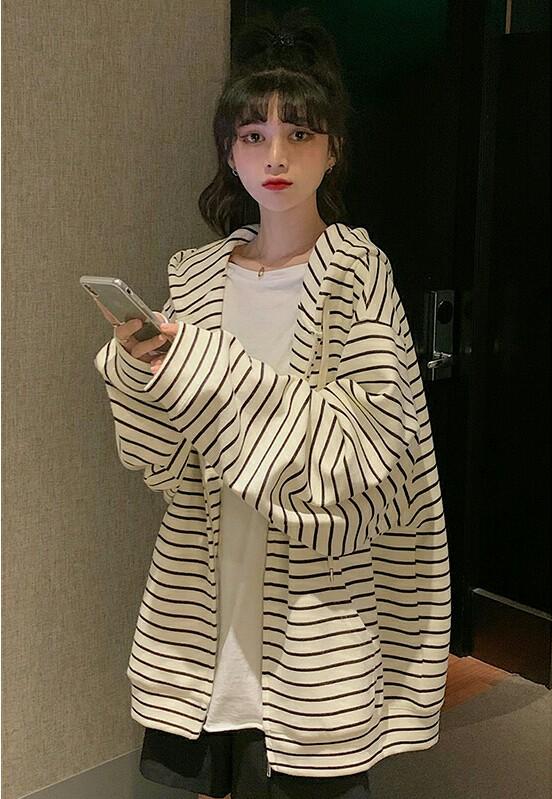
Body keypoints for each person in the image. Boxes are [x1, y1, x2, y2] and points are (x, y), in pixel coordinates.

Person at [94, 7, 451, 799]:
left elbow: (371, 457)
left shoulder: (356, 275)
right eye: (254, 134)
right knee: (212, 775)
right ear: (229, 151)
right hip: (205, 584)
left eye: (300, 133)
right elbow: (164, 460)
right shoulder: (194, 277)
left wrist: (206, 370)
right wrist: (138, 367)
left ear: (334, 147)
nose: (276, 155)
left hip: (316, 599)